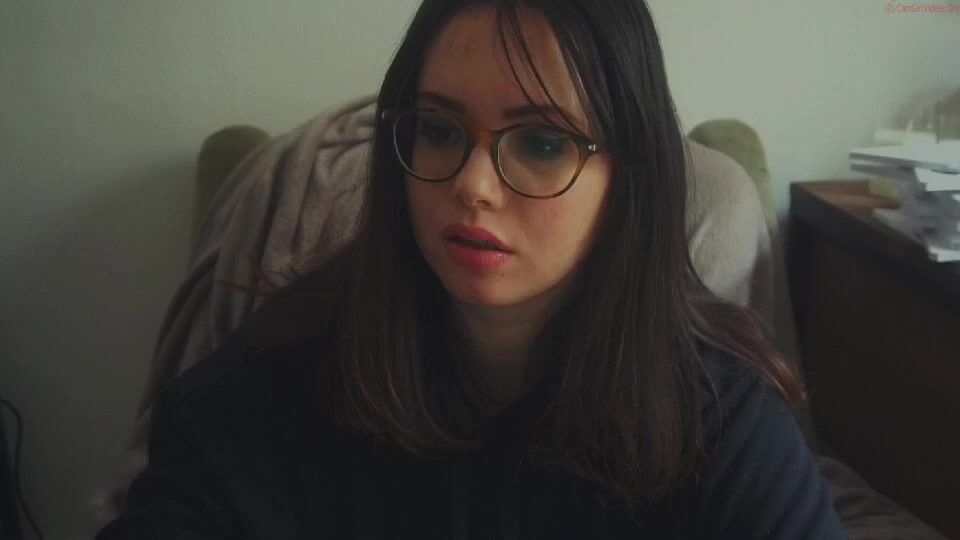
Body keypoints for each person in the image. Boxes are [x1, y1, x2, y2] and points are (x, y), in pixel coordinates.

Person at [96, 0, 845, 538]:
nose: (473, 185)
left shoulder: (719, 419)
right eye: (438, 129)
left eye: (542, 142)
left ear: (630, 176)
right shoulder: (268, 386)